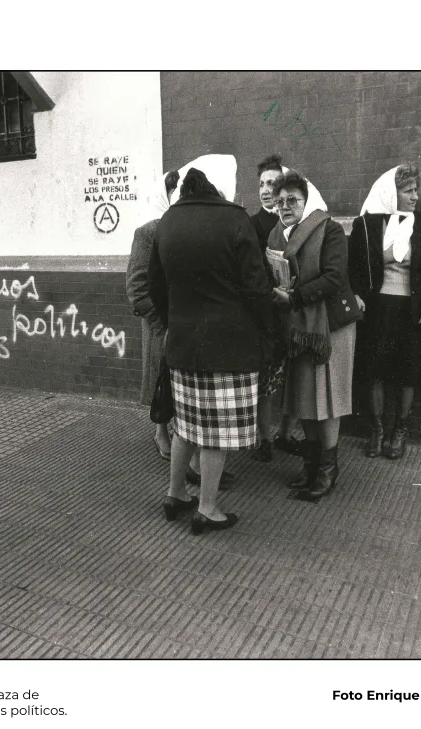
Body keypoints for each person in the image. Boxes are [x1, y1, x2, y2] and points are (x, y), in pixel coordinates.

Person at [149, 158, 275, 533]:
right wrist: (267, 328)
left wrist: (177, 323)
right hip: (229, 346)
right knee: (216, 430)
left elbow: (156, 287)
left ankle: (175, 494)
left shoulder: (168, 220)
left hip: (183, 345)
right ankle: (208, 507)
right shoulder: (235, 219)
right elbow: (256, 288)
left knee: (186, 425)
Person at [268, 171, 362, 501]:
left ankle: (327, 469)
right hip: (298, 329)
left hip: (330, 327)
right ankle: (309, 466)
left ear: (306, 202)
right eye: (279, 202)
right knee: (303, 395)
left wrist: (293, 297)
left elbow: (335, 278)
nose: (284, 206)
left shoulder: (329, 229)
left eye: (292, 200)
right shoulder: (276, 236)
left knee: (329, 398)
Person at [349, 164, 421, 459]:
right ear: (391, 194)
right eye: (408, 191)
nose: (415, 196)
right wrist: (356, 295)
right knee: (374, 370)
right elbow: (353, 267)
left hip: (412, 310)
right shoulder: (366, 226)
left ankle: (400, 431)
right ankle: (377, 431)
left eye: (416, 190)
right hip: (378, 309)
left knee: (409, 371)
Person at [248, 154, 302, 461]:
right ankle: (264, 438)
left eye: (271, 182)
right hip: (268, 313)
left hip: (295, 311)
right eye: (261, 184)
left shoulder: (297, 221)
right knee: (267, 380)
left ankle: (284, 433)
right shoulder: (252, 223)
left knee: (293, 376)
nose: (266, 189)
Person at [126, 169, 180, 460]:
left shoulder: (186, 230)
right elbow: (136, 287)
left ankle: (176, 431)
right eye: (175, 192)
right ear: (166, 195)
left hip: (183, 322)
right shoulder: (147, 232)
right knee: (161, 379)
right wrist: (162, 325)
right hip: (160, 324)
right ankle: (160, 431)